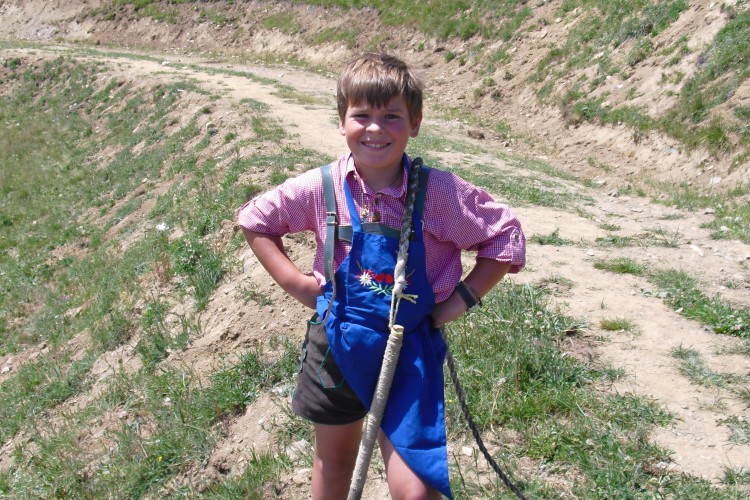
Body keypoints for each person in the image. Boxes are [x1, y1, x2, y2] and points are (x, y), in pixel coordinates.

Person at [237, 52, 525, 500]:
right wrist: (297, 284)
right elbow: (255, 219)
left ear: (415, 123)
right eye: (362, 115)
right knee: (334, 463)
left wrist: (455, 305)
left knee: (416, 489)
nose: (375, 128)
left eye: (391, 116)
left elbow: (504, 237)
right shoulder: (321, 187)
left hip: (409, 349)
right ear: (341, 121)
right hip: (337, 345)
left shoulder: (438, 193)